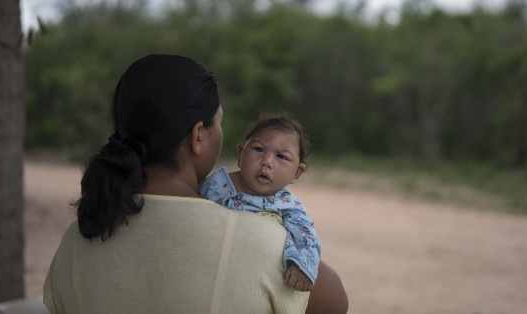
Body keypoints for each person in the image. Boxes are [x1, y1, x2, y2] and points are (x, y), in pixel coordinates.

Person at [42, 54, 348, 313]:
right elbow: (337, 303)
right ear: (198, 135)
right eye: (221, 123)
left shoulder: (78, 237)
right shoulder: (263, 243)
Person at [200, 113, 319, 292]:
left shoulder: (287, 206)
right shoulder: (215, 183)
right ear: (240, 154)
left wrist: (301, 265)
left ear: (296, 173)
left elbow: (305, 235)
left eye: (281, 157)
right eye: (259, 149)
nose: (267, 162)